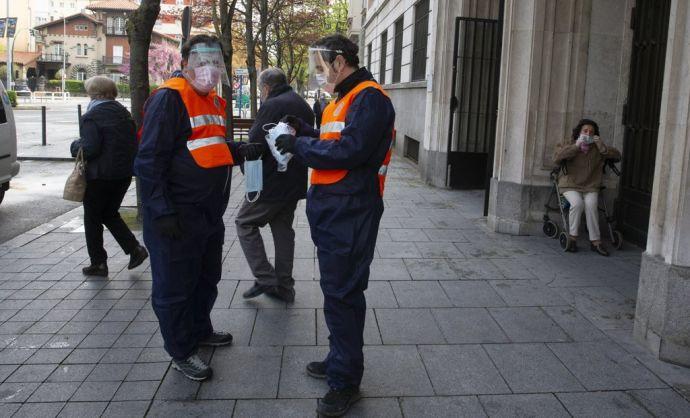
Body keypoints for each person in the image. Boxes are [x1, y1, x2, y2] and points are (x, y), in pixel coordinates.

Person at [276, 34, 395, 417]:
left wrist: (298, 147)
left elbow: (349, 151)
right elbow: (334, 140)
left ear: (340, 61)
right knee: (337, 291)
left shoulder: (369, 98)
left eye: (322, 65)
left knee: (343, 293)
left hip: (351, 210)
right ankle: (339, 358)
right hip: (335, 209)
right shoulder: (344, 98)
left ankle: (344, 381)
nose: (319, 72)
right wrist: (305, 131)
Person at [134, 35, 263, 381]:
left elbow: (208, 148)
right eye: (202, 61)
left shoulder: (212, 101)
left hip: (207, 214)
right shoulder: (170, 99)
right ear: (186, 62)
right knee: (175, 286)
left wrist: (239, 151)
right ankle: (181, 350)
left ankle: (199, 330)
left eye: (215, 62)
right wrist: (161, 212)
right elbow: (149, 162)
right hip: (178, 215)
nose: (209, 69)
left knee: (206, 278)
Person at [236, 68, 314, 303]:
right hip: (294, 180)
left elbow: (256, 142)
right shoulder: (303, 105)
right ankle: (285, 287)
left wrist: (246, 171)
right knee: (283, 231)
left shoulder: (271, 105)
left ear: (266, 88)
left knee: (245, 222)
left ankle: (266, 277)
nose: (261, 94)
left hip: (269, 181)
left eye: (260, 90)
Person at [70, 76, 148, 277]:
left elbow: (91, 148)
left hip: (99, 176)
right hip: (122, 174)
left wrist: (75, 146)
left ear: (95, 94)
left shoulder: (92, 116)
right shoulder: (124, 113)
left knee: (93, 218)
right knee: (109, 213)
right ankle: (135, 250)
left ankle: (99, 263)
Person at [553, 119, 621, 256]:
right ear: (579, 132)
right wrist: (576, 146)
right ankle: (572, 238)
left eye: (591, 132)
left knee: (591, 205)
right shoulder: (569, 143)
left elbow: (617, 156)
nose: (588, 134)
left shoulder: (597, 147)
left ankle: (595, 242)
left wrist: (603, 148)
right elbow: (557, 157)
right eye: (585, 131)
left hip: (590, 185)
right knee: (577, 204)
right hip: (570, 183)